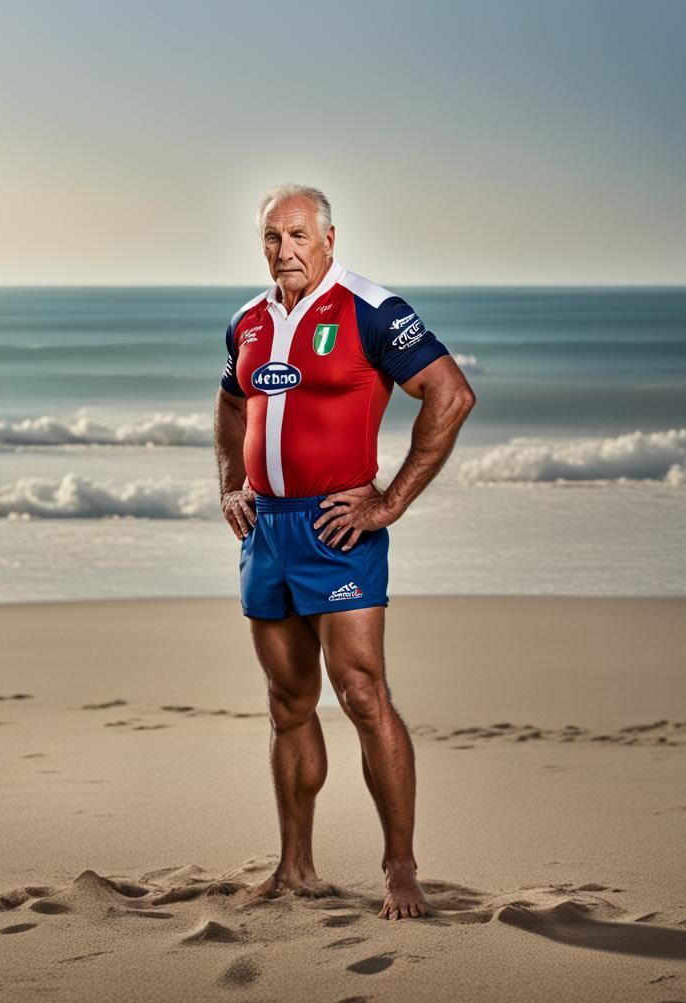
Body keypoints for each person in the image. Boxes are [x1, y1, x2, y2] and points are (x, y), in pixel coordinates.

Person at [213, 182, 476, 920]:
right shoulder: (247, 320)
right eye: (272, 237)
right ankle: (295, 867)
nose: (284, 250)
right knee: (288, 703)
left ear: (329, 238)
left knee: (362, 694)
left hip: (339, 532)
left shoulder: (374, 310)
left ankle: (400, 868)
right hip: (268, 533)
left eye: (298, 235)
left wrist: (389, 501)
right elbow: (233, 400)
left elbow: (450, 395)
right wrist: (232, 480)